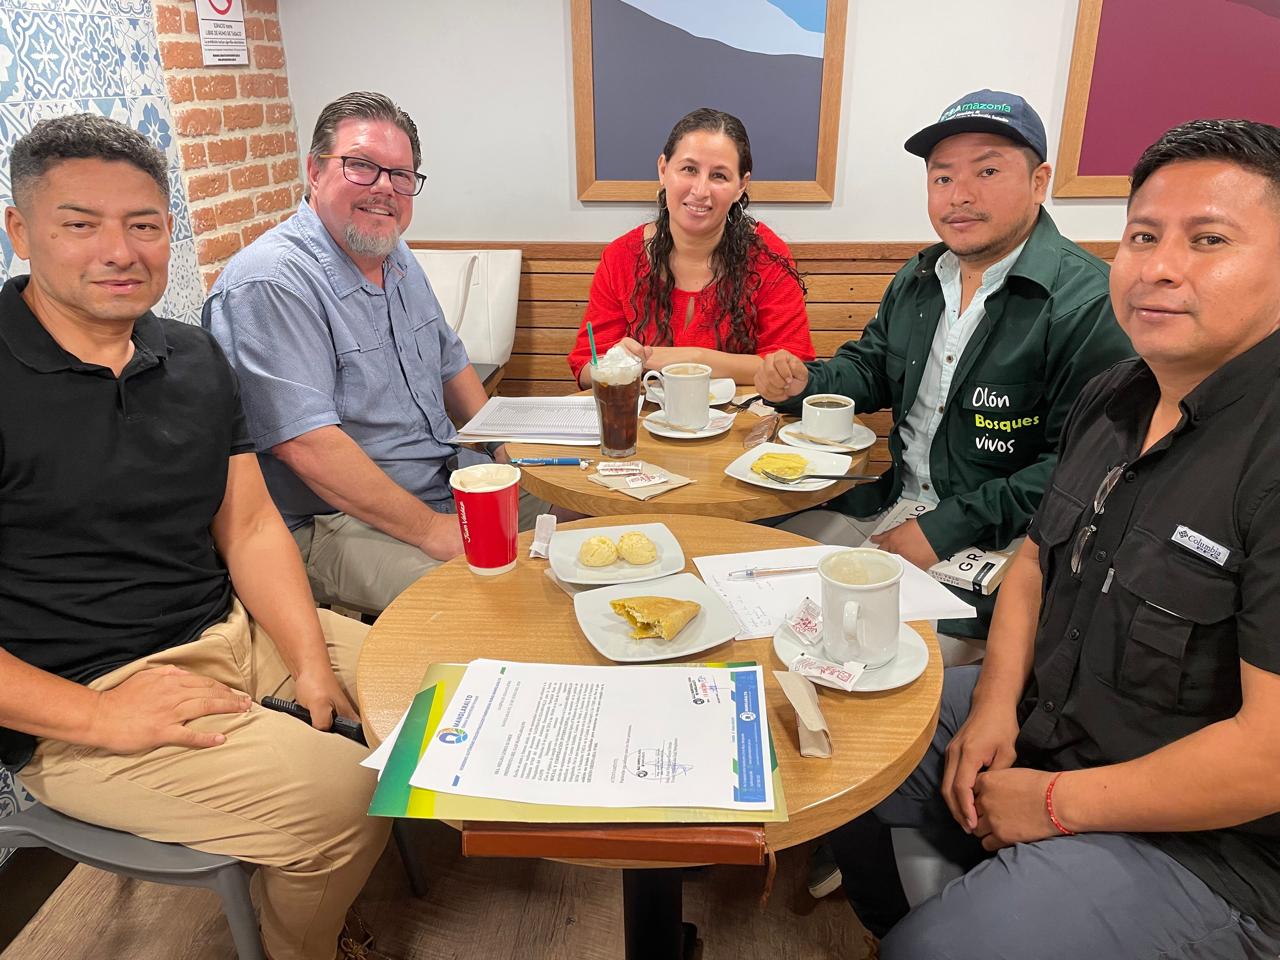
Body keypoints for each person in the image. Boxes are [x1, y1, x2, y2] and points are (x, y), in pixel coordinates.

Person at [833, 118, 1280, 959]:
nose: (1160, 267)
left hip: (1213, 846)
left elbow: (1268, 758)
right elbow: (1037, 561)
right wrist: (995, 704)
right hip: (1057, 712)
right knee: (848, 745)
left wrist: (1052, 805)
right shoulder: (1117, 396)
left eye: (1209, 240)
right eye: (1143, 236)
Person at [0, 114, 389, 960]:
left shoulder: (192, 356)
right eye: (80, 225)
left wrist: (310, 662)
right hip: (81, 698)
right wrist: (98, 716)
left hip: (233, 632)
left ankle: (310, 889)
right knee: (349, 801)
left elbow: (248, 525)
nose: (120, 251)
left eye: (143, 225)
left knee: (443, 686)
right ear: (20, 231)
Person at [756, 90, 1133, 648]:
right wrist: (807, 383)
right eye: (942, 177)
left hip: (1008, 544)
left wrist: (942, 528)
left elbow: (1082, 468)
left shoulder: (1087, 302)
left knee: (844, 644)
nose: (960, 195)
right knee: (756, 576)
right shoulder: (921, 277)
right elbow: (871, 369)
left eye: (987, 171)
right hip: (891, 505)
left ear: (1039, 182)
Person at [206, 91, 539, 615]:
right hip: (333, 523)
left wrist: (505, 455)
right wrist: (430, 528)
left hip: (446, 479)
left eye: (400, 175)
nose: (384, 187)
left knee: (588, 522)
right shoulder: (271, 281)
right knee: (494, 601)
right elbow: (308, 446)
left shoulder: (393, 253)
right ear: (315, 172)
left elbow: (451, 363)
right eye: (361, 166)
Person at [569, 107, 815, 386]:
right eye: (689, 169)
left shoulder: (766, 255)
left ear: (741, 186)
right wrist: (615, 364)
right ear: (663, 170)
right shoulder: (621, 257)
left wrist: (692, 358)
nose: (700, 191)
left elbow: (792, 368)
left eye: (719, 176)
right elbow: (586, 368)